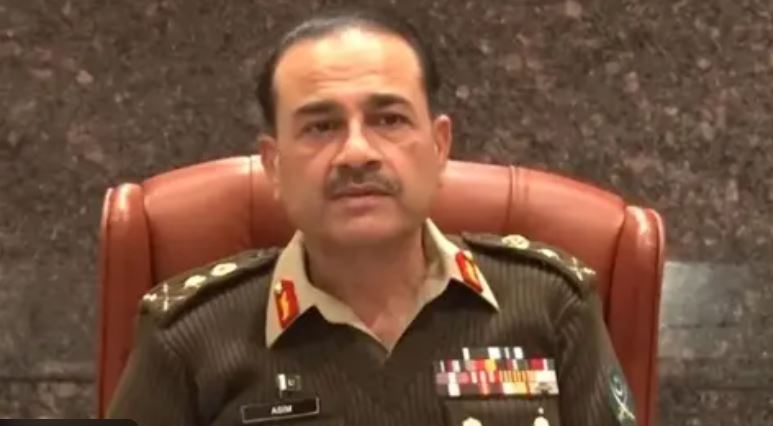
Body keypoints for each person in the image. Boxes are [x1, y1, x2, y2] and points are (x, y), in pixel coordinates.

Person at [107, 6, 637, 426]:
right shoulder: (189, 336)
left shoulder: (550, 304)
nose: (357, 152)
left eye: (389, 119)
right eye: (321, 127)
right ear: (274, 165)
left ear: (439, 146)